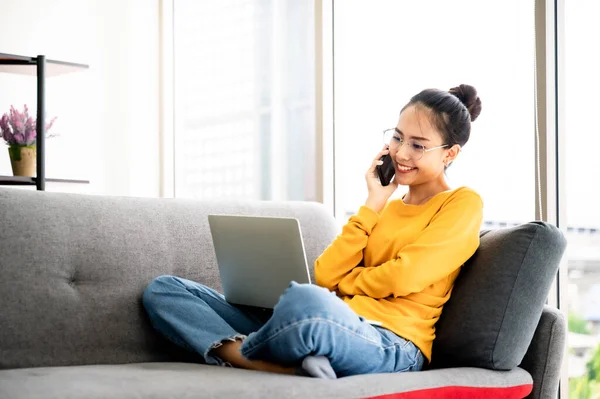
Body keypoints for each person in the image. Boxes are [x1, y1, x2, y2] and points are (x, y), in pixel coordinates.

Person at [142, 84, 484, 379]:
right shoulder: (384, 207)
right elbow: (325, 273)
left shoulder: (462, 204)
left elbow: (405, 276)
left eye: (418, 145)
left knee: (304, 302)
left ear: (450, 153)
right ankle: (268, 362)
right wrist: (373, 203)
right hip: (334, 319)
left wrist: (345, 285)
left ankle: (257, 350)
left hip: (391, 342)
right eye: (397, 138)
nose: (401, 153)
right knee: (165, 290)